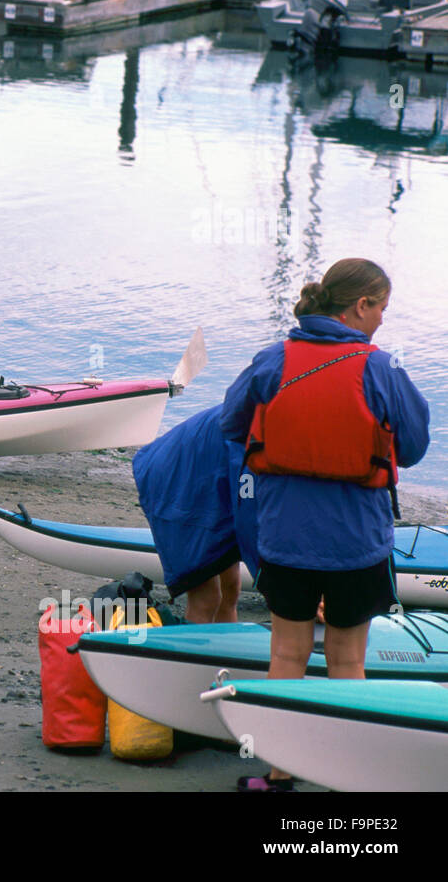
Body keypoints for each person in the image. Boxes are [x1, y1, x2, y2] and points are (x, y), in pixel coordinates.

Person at [221, 258, 430, 792]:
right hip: (357, 545)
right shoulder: (382, 369)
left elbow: (231, 423)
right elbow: (412, 448)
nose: (383, 318)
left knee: (286, 655)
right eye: (381, 306)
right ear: (360, 306)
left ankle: (277, 774)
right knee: (347, 661)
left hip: (285, 539)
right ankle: (349, 778)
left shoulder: (272, 359)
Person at [133, 405, 252, 624]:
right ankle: (198, 653)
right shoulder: (256, 434)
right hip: (176, 482)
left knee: (231, 589)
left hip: (213, 480)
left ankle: (225, 651)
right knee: (206, 597)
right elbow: (249, 508)